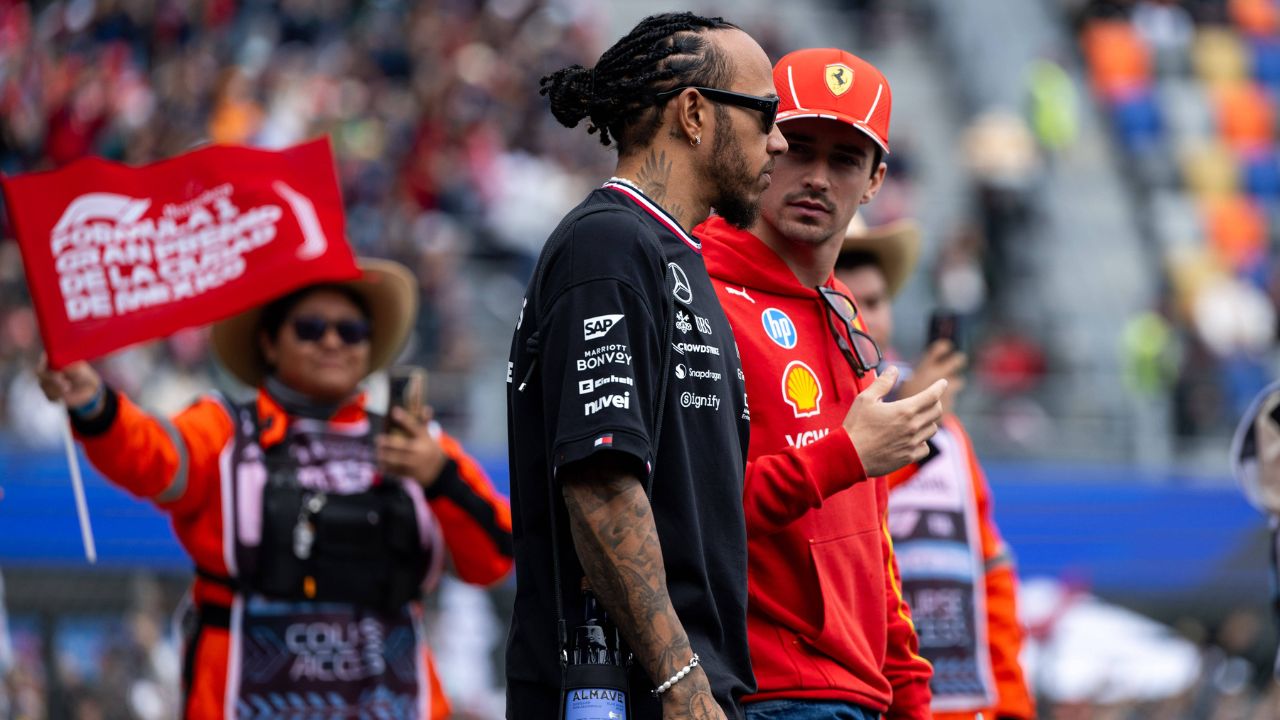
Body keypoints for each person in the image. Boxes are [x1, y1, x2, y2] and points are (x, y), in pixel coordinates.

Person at [37, 258, 513, 719]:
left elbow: (494, 558)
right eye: (310, 328)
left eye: (351, 331)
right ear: (269, 342)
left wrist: (440, 479)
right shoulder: (225, 432)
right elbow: (153, 456)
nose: (332, 342)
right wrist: (93, 404)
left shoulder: (419, 446)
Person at [505, 12, 787, 719]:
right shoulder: (607, 247)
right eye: (764, 115)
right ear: (694, 113)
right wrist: (681, 683)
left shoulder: (669, 257)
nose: (779, 141)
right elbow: (602, 487)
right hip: (620, 696)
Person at [696, 48, 944, 719]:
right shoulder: (696, 296)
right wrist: (842, 455)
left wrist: (909, 689)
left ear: (874, 180)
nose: (816, 177)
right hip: (761, 690)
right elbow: (688, 509)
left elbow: (871, 537)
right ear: (762, 145)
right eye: (799, 148)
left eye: (844, 159)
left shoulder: (847, 318)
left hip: (859, 693)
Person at [836, 222, 1036, 720]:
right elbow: (835, 504)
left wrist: (1009, 706)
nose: (867, 317)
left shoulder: (951, 434)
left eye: (877, 300)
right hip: (859, 697)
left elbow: (988, 569)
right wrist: (917, 424)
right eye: (848, 298)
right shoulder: (807, 414)